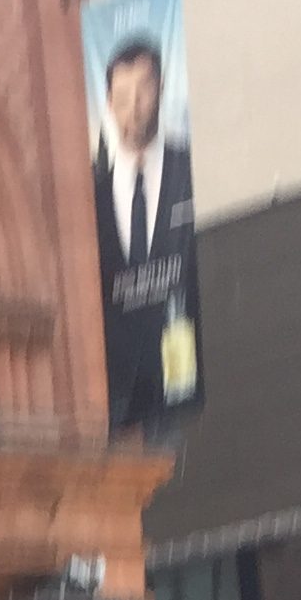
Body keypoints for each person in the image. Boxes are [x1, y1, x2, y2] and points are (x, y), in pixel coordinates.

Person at [91, 36, 199, 435]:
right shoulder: (90, 196)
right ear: (107, 102)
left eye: (144, 90)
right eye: (122, 96)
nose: (134, 107)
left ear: (162, 87)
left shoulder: (187, 170)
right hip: (119, 397)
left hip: (180, 375)